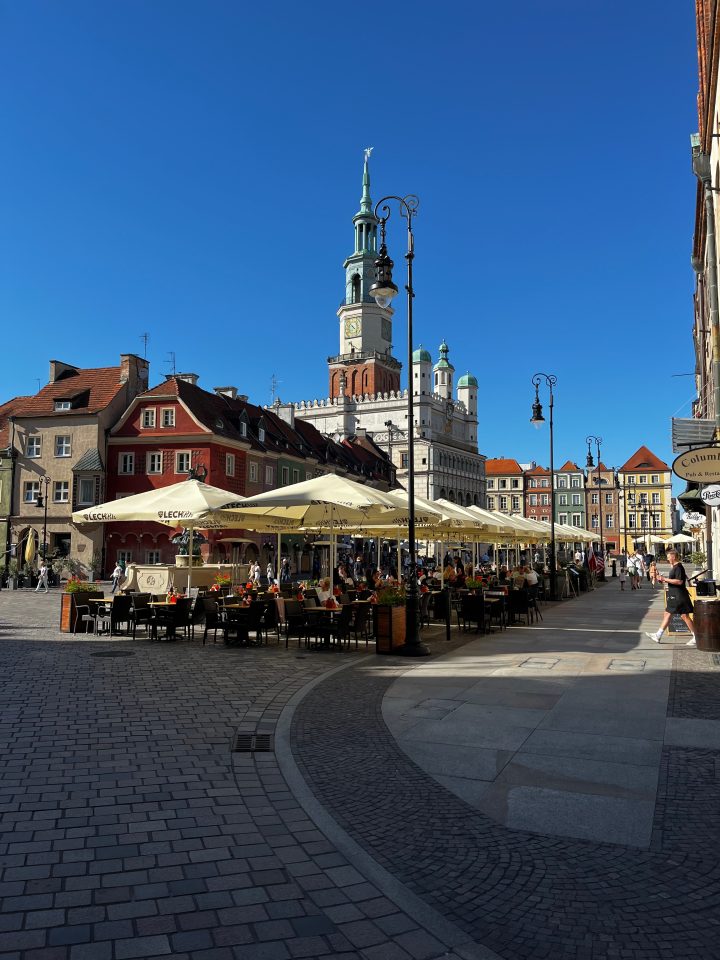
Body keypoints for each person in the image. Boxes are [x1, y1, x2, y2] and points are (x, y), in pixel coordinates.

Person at [646, 549, 696, 646]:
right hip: (674, 595)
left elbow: (679, 581)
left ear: (673, 556)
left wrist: (664, 579)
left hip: (678, 595)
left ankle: (696, 637)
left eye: (669, 556)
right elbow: (673, 580)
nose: (668, 558)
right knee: (668, 613)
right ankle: (658, 635)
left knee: (684, 616)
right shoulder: (675, 567)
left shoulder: (679, 567)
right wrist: (663, 580)